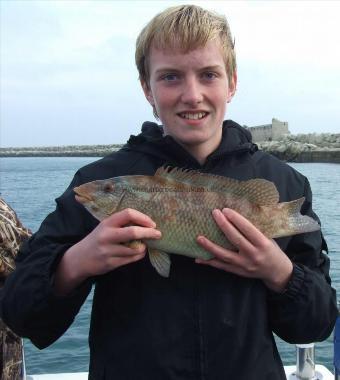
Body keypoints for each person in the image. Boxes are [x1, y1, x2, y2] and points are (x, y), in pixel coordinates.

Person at [0, 4, 337, 380]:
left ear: (233, 83)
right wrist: (76, 262)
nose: (192, 95)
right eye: (171, 77)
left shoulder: (283, 185)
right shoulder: (103, 182)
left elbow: (317, 325)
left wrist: (280, 273)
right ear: (147, 88)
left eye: (209, 74)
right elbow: (21, 313)